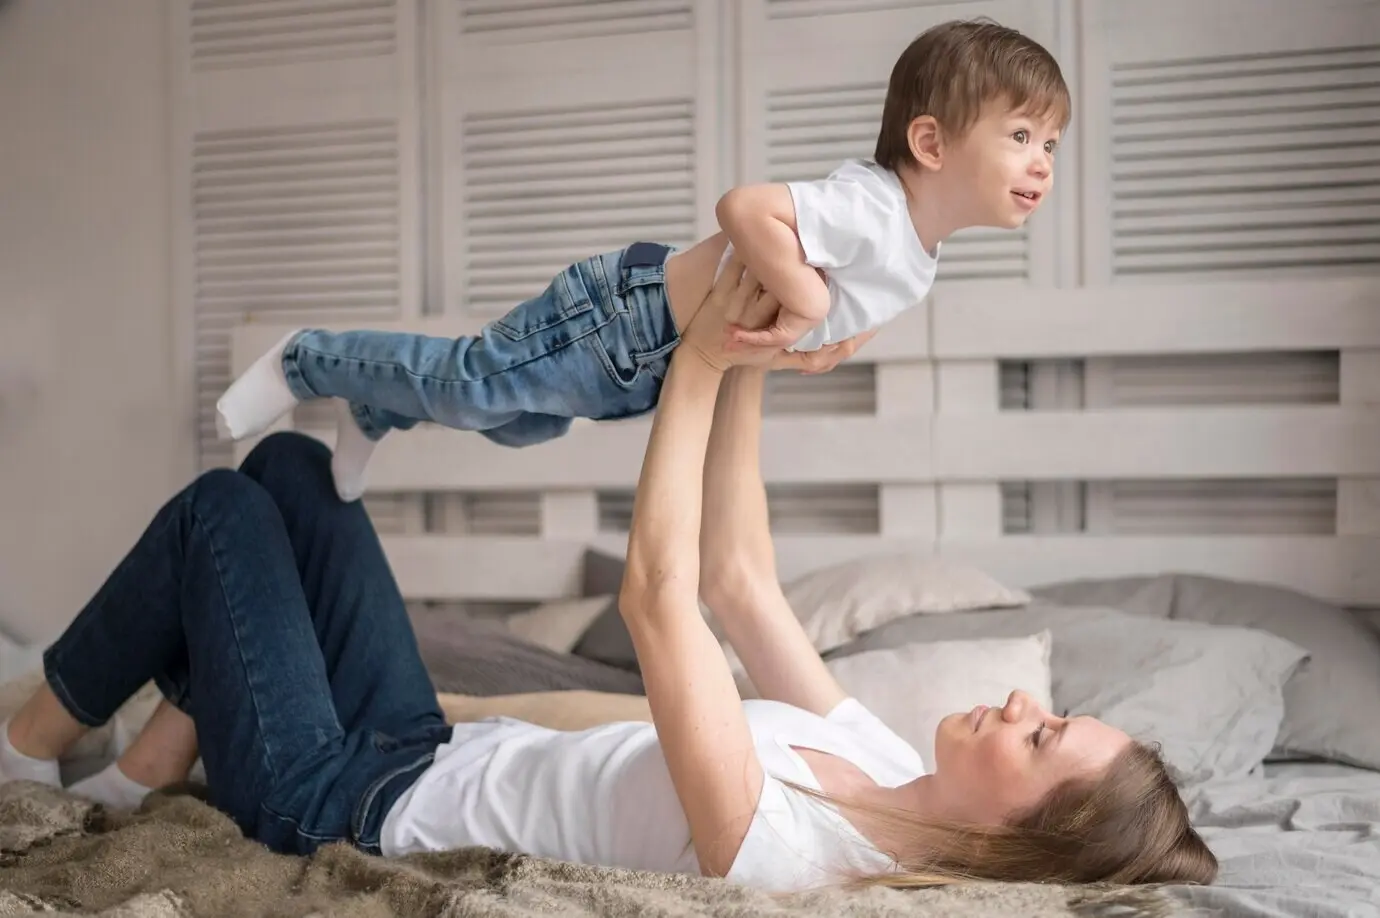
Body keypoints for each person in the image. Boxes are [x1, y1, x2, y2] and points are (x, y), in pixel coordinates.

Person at [0, 262, 1216, 892]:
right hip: (419, 745)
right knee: (292, 470)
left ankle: (28, 746)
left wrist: (696, 362)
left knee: (221, 512)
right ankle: (155, 762)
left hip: (340, 806)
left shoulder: (791, 859)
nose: (1023, 707)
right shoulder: (883, 759)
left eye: (1043, 738)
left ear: (1016, 841)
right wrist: (759, 353)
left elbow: (659, 597)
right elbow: (737, 578)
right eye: (1050, 711)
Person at [213, 18, 1070, 503]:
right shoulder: (872, 206)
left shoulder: (920, 257)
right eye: (1023, 135)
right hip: (623, 317)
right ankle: (305, 358)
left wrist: (830, 343)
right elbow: (744, 208)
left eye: (1052, 144)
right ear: (931, 143)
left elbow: (852, 306)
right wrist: (808, 304)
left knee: (515, 423)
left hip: (652, 369)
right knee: (474, 383)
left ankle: (376, 410)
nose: (1043, 162)